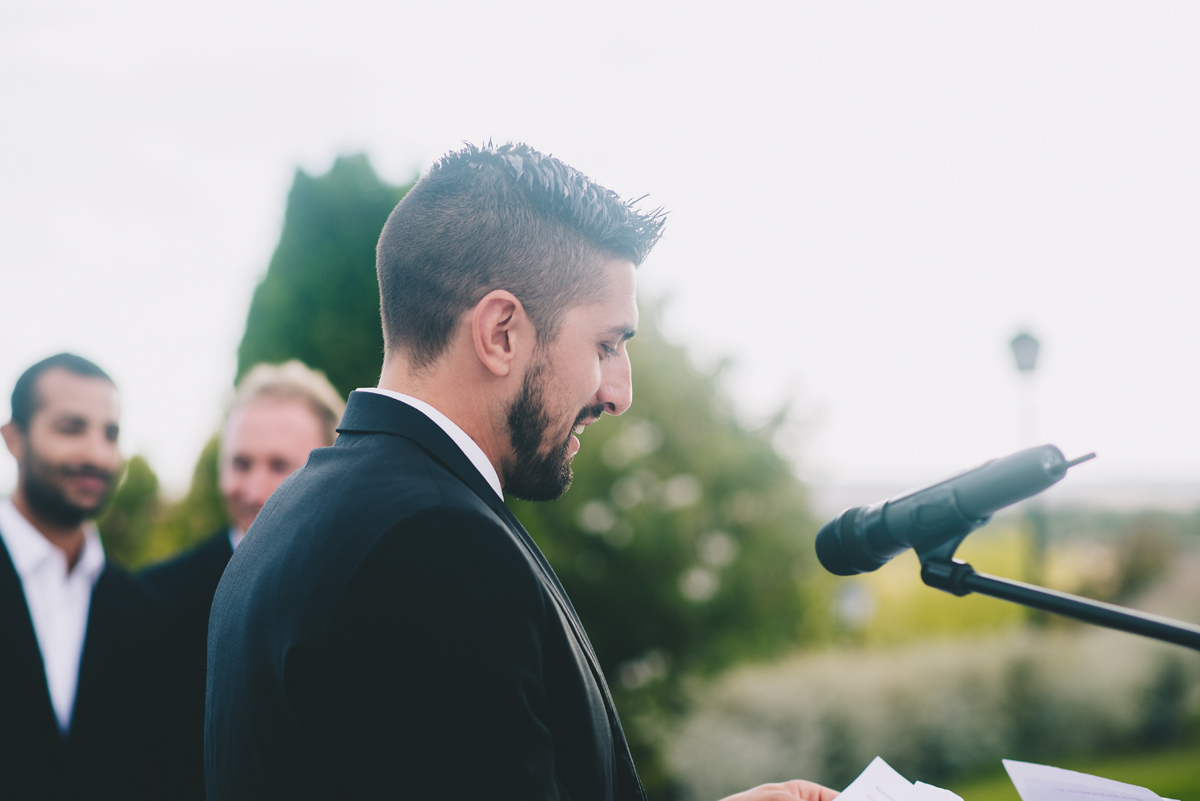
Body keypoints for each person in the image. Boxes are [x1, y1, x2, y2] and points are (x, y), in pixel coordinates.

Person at [205, 143, 837, 801]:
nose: (619, 391)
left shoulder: (301, 510)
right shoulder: (434, 546)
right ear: (501, 332)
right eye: (606, 344)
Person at [144, 360, 345, 798]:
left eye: (279, 464)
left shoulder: (365, 591)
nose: (254, 491)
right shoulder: (155, 601)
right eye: (240, 463)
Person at [0, 353, 175, 800]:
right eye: (71, 428)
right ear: (14, 439)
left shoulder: (147, 612)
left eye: (110, 433)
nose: (97, 454)